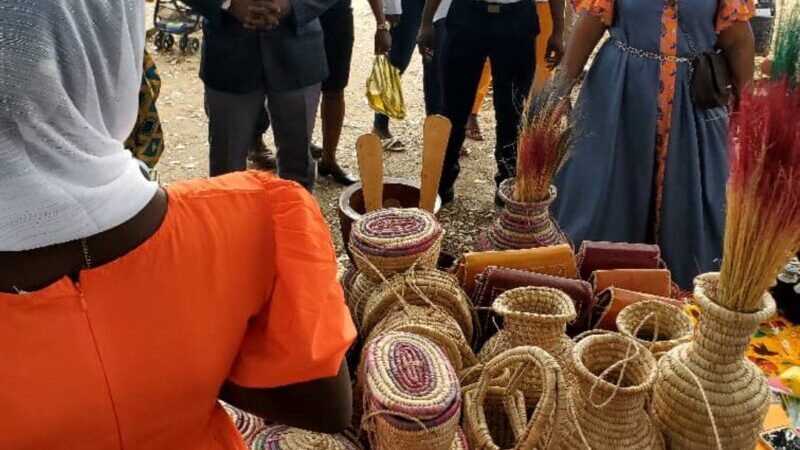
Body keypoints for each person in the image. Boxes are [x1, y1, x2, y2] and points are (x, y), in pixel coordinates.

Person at [0, 1, 356, 448]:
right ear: (113, 46)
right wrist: (206, 354)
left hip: (294, 52)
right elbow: (326, 404)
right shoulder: (252, 222)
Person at [552, 0, 756, 287]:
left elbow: (737, 38)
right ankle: (596, 286)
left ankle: (685, 293)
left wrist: (750, 107)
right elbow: (591, 23)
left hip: (694, 99)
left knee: (694, 192)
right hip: (619, 94)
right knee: (602, 185)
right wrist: (561, 88)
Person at [419, 0, 566, 205]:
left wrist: (559, 30)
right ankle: (441, 186)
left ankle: (508, 187)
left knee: (512, 113)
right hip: (466, 19)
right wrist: (426, 22)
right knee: (452, 108)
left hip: (517, 22)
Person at [185, 0, 339, 191]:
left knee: (297, 169)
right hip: (229, 56)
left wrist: (292, 5)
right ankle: (231, 221)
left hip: (297, 52)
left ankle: (296, 219)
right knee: (226, 174)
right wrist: (228, 4)